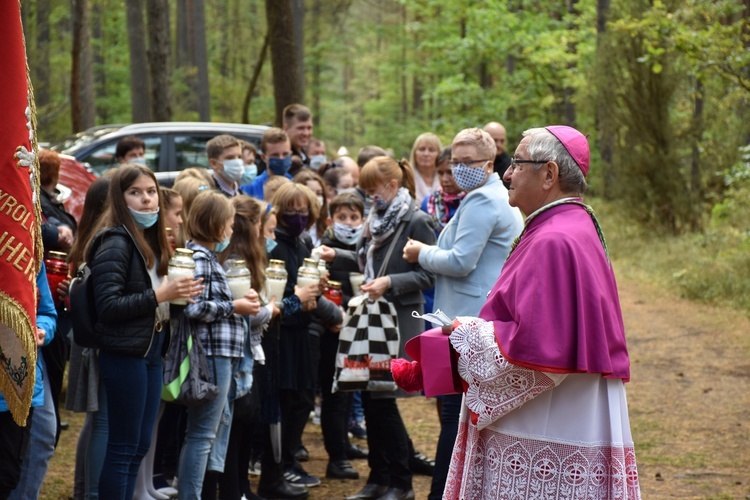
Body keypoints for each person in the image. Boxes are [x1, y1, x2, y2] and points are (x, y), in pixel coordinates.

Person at [442, 126, 641, 499]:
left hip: (551, 419)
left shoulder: (553, 239)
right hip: (567, 409)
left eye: (517, 163)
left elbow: (537, 345)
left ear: (549, 174)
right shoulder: (569, 225)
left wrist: (462, 333)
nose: (507, 173)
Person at [403, 128, 523, 499]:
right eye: (455, 161)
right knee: (455, 418)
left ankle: (442, 493)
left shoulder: (484, 201)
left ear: (489, 164)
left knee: (454, 418)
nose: (459, 169)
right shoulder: (483, 195)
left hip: (469, 320)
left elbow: (460, 261)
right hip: (469, 317)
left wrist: (420, 253)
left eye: (468, 162)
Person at [319, 156, 436, 500]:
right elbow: (360, 260)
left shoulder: (417, 221)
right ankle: (378, 477)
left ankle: (401, 482)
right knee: (370, 397)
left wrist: (390, 282)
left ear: (391, 185)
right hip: (370, 320)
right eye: (366, 190)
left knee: (384, 399)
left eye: (373, 190)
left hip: (396, 322)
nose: (370, 197)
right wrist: (334, 255)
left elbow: (428, 274)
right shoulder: (375, 220)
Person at [87, 164, 201, 499]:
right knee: (123, 446)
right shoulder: (115, 242)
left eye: (150, 191)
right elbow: (108, 306)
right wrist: (160, 295)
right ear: (120, 200)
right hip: (125, 354)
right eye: (135, 193)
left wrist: (179, 297)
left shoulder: (149, 241)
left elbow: (153, 299)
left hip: (151, 350)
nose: (147, 200)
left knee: (138, 444)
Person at [178, 190, 261, 499]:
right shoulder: (200, 258)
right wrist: (234, 306)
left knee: (206, 432)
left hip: (220, 353)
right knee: (202, 434)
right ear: (214, 224)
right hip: (212, 354)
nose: (230, 230)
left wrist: (239, 300)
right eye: (227, 223)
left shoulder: (207, 257)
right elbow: (194, 307)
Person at [65, 178, 111, 500]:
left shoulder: (88, 239)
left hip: (87, 337)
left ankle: (84, 489)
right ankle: (89, 492)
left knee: (96, 421)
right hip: (94, 338)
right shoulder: (100, 242)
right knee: (101, 421)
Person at [317, 192, 368, 481]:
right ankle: (335, 458)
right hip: (334, 331)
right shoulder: (326, 250)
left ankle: (345, 445)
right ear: (330, 220)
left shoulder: (362, 249)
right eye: (342, 218)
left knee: (350, 391)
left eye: (353, 218)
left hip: (357, 329)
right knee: (334, 394)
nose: (348, 223)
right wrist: (332, 317)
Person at [4, 265, 57, 500]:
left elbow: (47, 312)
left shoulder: (28, 249)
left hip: (24, 372)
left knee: (9, 472)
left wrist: (43, 330)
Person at [242, 128, 294, 200]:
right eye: (275, 155)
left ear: (291, 154)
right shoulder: (250, 187)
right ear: (263, 157)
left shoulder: (296, 184)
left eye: (285, 154)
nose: (281, 158)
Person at [293, 170, 328, 247]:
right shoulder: (293, 225)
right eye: (310, 193)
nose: (315, 197)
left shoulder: (327, 226)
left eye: (319, 193)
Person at [409, 133, 442, 202]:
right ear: (414, 153)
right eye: (422, 149)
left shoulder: (446, 177)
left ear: (439, 154)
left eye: (431, 150)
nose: (426, 154)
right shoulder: (406, 176)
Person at [282, 103, 313, 168]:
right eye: (301, 128)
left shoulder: (304, 156)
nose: (306, 133)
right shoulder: (283, 160)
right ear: (286, 128)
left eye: (309, 128)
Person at [484, 121, 512, 188]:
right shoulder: (475, 161)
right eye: (495, 140)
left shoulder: (509, 166)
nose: (499, 145)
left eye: (502, 141)